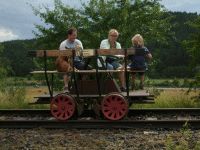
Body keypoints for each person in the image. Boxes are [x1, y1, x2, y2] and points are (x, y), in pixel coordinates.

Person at [58, 27, 86, 92]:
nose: (75, 37)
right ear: (69, 35)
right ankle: (66, 87)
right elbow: (62, 57)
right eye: (73, 35)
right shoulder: (63, 44)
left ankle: (81, 86)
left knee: (87, 68)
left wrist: (79, 51)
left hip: (77, 61)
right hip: (66, 61)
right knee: (67, 69)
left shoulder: (78, 42)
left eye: (75, 35)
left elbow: (82, 54)